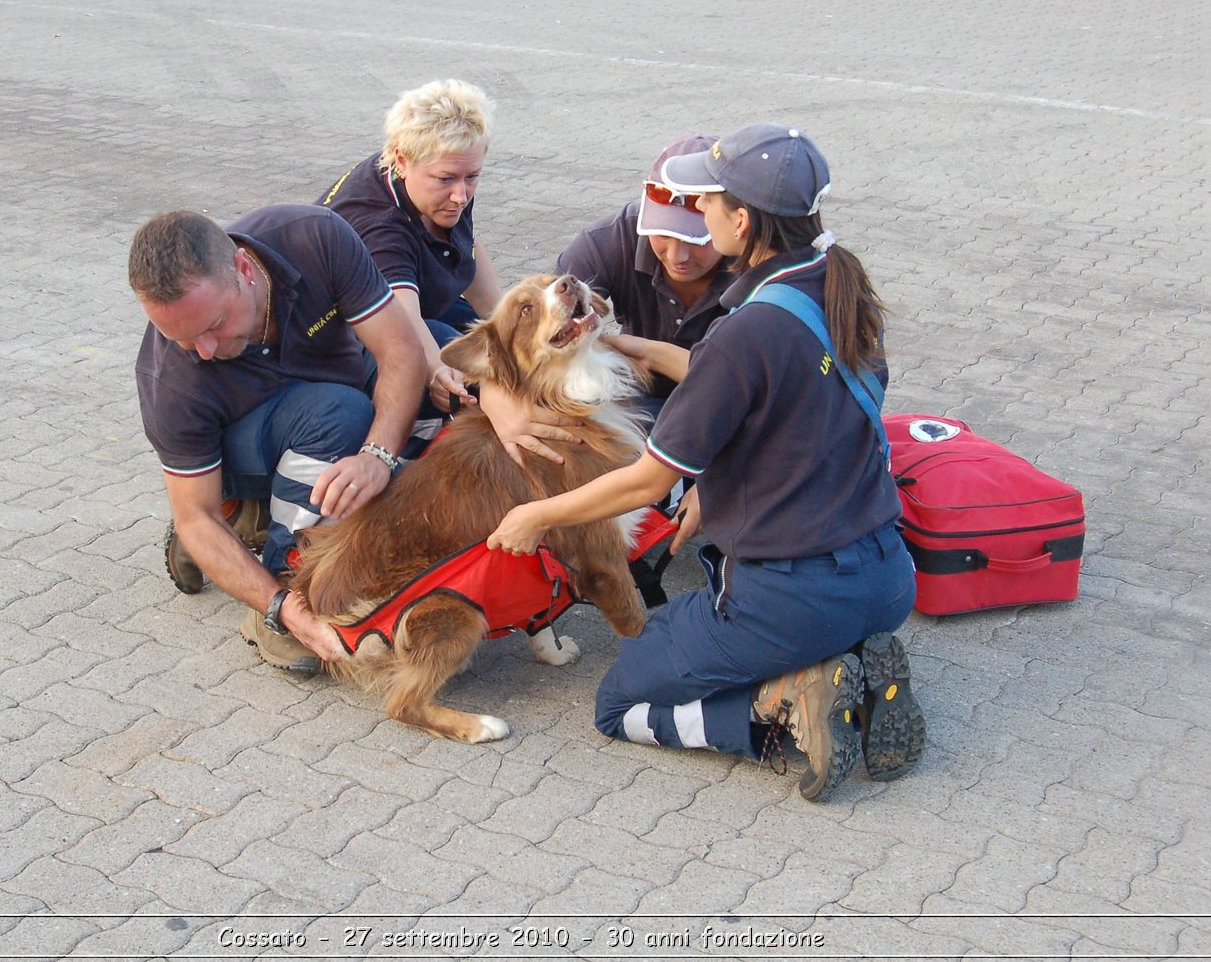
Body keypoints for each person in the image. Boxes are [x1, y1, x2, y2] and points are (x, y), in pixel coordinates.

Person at [488, 124, 925, 802]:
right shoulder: (841, 286)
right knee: (689, 631)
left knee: (619, 702)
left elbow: (650, 480)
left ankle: (784, 708)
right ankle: (850, 660)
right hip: (889, 577)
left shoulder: (742, 331)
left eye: (707, 202)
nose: (697, 213)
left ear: (741, 220)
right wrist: (625, 340)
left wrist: (535, 514)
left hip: (793, 597)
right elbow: (767, 382)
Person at [130, 205, 424, 675]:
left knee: (441, 368)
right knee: (338, 416)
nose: (202, 351)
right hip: (248, 450)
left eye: (212, 327)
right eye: (182, 339)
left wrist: (378, 457)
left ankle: (265, 517)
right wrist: (282, 606)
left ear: (244, 270)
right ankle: (285, 577)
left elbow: (402, 350)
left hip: (330, 390)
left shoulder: (313, 237)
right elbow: (195, 515)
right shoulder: (171, 380)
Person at [319, 79, 502, 416]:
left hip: (415, 297)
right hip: (341, 339)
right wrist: (439, 373)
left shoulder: (441, 177)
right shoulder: (378, 222)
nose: (461, 195)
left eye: (472, 177)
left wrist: (511, 328)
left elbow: (468, 250)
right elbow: (404, 321)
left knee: (492, 337)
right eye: (446, 179)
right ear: (402, 161)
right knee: (454, 351)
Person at [556, 135, 731, 419]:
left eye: (697, 239)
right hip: (634, 397)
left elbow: (754, 384)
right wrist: (498, 401)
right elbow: (534, 326)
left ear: (736, 221)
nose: (677, 256)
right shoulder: (611, 238)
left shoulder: (759, 261)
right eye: (663, 233)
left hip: (728, 407)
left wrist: (651, 353)